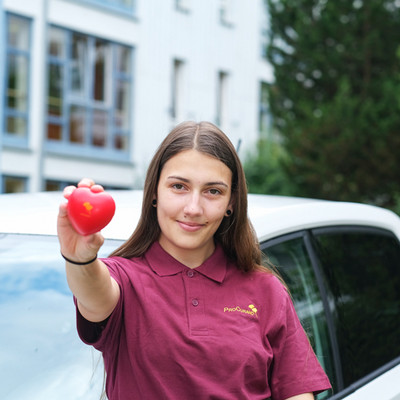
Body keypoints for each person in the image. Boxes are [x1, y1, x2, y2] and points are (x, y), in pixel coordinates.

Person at [57, 121, 331, 400]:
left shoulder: (266, 290)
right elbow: (94, 293)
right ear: (154, 192)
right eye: (179, 186)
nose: (193, 208)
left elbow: (297, 394)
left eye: (213, 191)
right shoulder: (124, 280)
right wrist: (80, 259)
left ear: (231, 203)